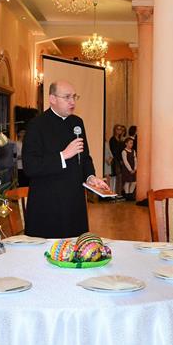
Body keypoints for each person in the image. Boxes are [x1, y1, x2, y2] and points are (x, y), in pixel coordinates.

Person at [21, 80, 109, 238]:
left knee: (75, 246)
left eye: (74, 97)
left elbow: (85, 157)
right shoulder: (36, 125)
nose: (72, 102)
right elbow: (30, 166)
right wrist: (63, 155)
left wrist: (91, 177)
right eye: (67, 97)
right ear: (52, 99)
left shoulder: (77, 123)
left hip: (74, 202)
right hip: (48, 204)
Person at [108, 124, 126, 196]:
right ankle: (116, 194)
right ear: (115, 130)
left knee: (121, 177)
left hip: (121, 160)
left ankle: (119, 193)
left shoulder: (121, 140)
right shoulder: (112, 139)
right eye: (118, 129)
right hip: (116, 160)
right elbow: (114, 151)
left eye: (120, 129)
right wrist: (119, 159)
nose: (119, 131)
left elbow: (123, 150)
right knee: (118, 176)